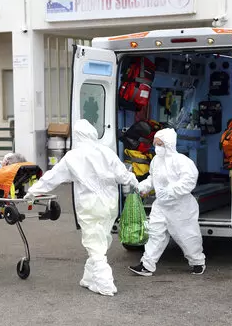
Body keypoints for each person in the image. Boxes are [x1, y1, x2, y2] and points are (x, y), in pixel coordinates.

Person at [24, 119, 138, 296]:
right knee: (101, 239)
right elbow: (123, 175)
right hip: (110, 205)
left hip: (90, 205)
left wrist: (32, 191)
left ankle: (105, 284)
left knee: (94, 244)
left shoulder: (73, 157)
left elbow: (52, 178)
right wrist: (134, 182)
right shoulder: (106, 152)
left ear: (77, 136)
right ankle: (89, 278)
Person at [129, 128, 206, 276]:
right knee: (155, 234)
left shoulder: (182, 161)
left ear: (169, 144)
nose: (157, 147)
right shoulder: (156, 161)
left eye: (160, 144)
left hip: (180, 206)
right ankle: (147, 265)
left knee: (187, 236)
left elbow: (189, 180)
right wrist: (141, 187)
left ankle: (197, 262)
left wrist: (171, 190)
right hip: (161, 205)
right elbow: (152, 178)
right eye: (155, 143)